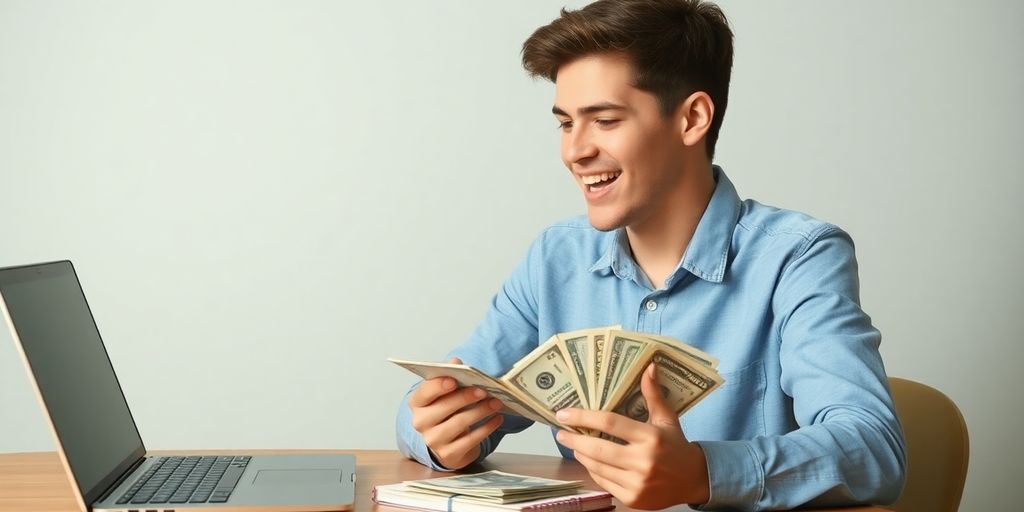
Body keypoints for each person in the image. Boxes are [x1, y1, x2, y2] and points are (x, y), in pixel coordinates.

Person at [395, 1, 906, 510]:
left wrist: (703, 473)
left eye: (605, 120)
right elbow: (449, 399)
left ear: (692, 119)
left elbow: (873, 448)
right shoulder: (557, 257)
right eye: (565, 123)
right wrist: (438, 435)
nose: (575, 151)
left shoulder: (799, 256)